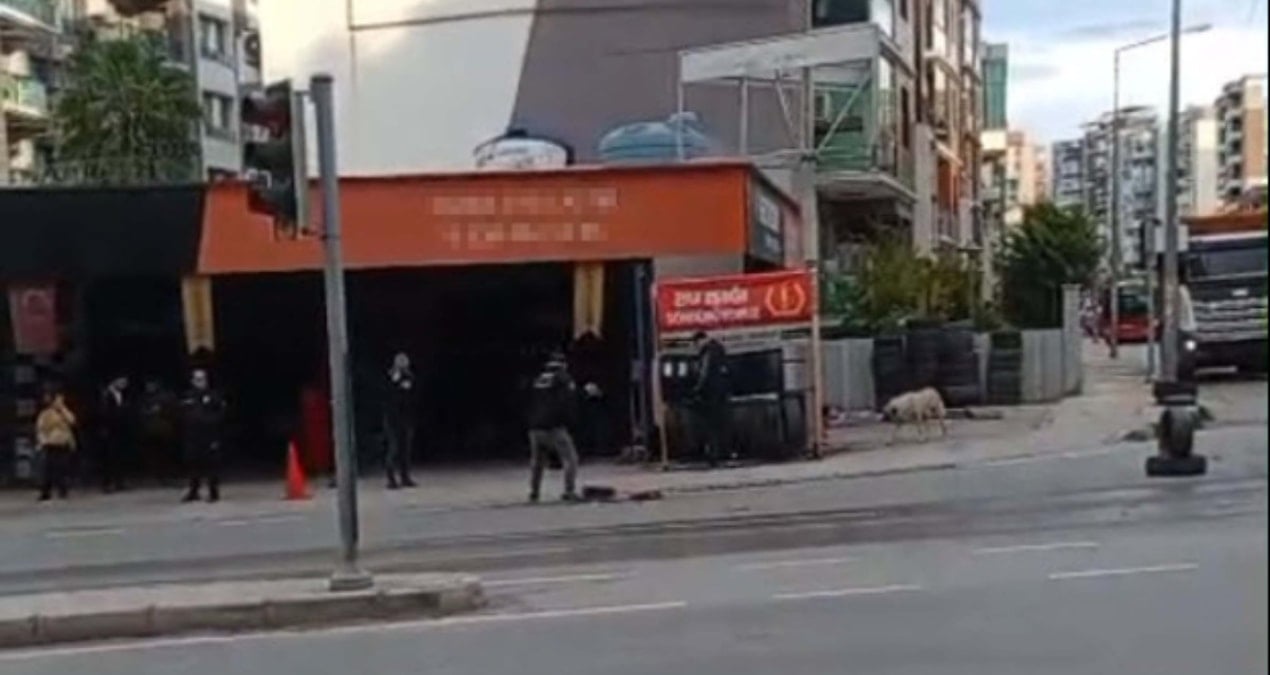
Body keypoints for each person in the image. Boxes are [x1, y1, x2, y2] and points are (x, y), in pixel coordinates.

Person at [526, 351, 580, 503]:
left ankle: (534, 492)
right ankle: (569, 491)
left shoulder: (539, 378)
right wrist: (571, 422)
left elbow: (528, 400)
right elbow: (567, 402)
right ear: (564, 364)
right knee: (570, 459)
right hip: (554, 426)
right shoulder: (563, 378)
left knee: (537, 462)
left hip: (535, 426)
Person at [179, 368, 227, 503]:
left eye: (202, 379)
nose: (200, 382)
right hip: (192, 435)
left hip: (210, 435)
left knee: (211, 464)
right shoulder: (188, 396)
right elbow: (181, 412)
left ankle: (213, 492)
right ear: (192, 381)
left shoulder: (214, 395)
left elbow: (221, 413)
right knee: (193, 463)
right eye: (197, 379)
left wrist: (210, 422)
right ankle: (193, 491)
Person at [690, 331, 732, 467]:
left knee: (711, 426)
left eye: (696, 344)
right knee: (721, 424)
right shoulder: (719, 349)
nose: (697, 347)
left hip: (710, 394)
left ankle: (713, 455)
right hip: (721, 393)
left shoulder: (708, 352)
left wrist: (697, 389)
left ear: (700, 340)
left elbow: (705, 372)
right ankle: (724, 453)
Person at [570, 330, 611, 457]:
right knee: (597, 421)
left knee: (588, 421)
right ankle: (600, 447)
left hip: (586, 391)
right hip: (593, 390)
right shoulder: (597, 358)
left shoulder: (579, 358)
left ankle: (589, 447)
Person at [382, 352, 418, 490]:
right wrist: (396, 381)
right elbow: (388, 393)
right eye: (400, 362)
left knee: (405, 450)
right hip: (392, 419)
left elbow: (411, 393)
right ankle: (391, 479)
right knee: (394, 448)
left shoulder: (410, 376)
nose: (403, 365)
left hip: (406, 418)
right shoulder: (390, 376)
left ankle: (405, 477)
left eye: (405, 362)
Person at [36, 388, 78, 501]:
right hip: (51, 443)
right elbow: (41, 428)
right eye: (58, 400)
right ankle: (46, 491)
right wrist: (42, 441)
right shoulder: (46, 413)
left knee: (62, 467)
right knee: (48, 469)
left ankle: (62, 490)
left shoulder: (65, 412)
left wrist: (63, 409)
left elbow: (72, 421)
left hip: (63, 443)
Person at [138, 379, 178, 485]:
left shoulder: (166, 397)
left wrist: (162, 410)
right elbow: (140, 412)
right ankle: (157, 475)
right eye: (148, 385)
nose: (150, 387)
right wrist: (150, 412)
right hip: (150, 430)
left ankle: (167, 474)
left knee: (166, 453)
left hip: (164, 429)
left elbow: (173, 410)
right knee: (153, 454)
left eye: (152, 384)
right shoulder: (143, 398)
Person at [97, 375, 133, 493]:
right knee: (108, 457)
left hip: (120, 429)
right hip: (109, 429)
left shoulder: (123, 395)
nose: (124, 385)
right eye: (122, 382)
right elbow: (103, 412)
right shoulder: (105, 394)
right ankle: (106, 483)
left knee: (119, 456)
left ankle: (119, 481)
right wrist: (104, 428)